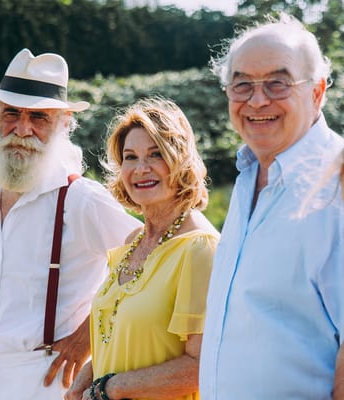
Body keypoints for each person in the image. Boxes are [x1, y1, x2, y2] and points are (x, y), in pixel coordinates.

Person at [0, 48, 141, 400]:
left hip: (50, 380)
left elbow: (151, 259)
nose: (22, 129)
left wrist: (87, 337)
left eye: (39, 117)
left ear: (63, 124)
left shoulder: (80, 198)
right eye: (12, 113)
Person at [198, 14, 344, 399]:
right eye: (241, 85)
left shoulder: (338, 186)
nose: (257, 100)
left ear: (317, 92)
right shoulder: (249, 177)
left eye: (278, 84)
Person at [65, 98, 219, 400]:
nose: (141, 169)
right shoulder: (131, 244)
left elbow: (203, 367)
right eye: (130, 157)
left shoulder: (199, 249)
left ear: (181, 160)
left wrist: (112, 388)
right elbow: (126, 341)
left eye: (156, 154)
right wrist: (86, 378)